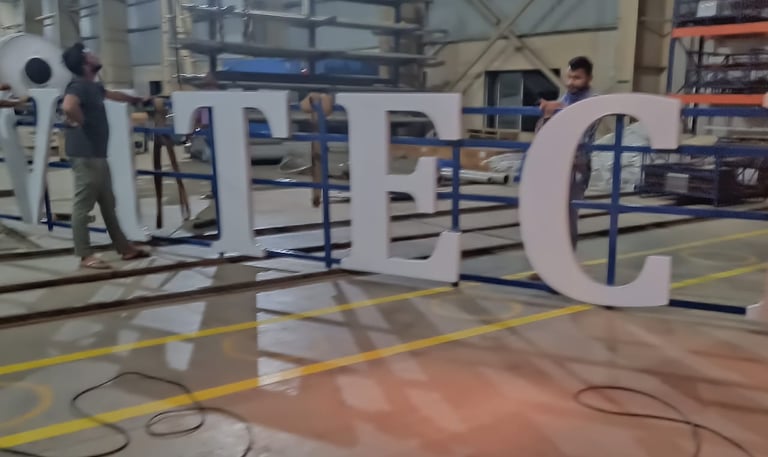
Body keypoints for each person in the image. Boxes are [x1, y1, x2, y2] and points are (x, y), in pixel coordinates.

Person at [61, 42, 150, 269]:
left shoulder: (92, 86)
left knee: (108, 204)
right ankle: (85, 255)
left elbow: (112, 95)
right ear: (85, 63)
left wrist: (136, 99)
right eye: (89, 53)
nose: (94, 54)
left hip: (97, 155)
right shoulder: (78, 85)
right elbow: (69, 106)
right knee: (83, 206)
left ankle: (125, 248)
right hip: (85, 155)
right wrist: (81, 121)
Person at [529, 56, 599, 281]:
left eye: (577, 78)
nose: (571, 82)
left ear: (588, 78)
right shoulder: (567, 97)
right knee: (550, 217)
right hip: (557, 164)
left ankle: (564, 270)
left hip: (576, 165)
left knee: (567, 217)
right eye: (569, 77)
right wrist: (550, 113)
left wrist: (557, 109)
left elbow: (580, 120)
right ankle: (548, 267)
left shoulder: (593, 101)